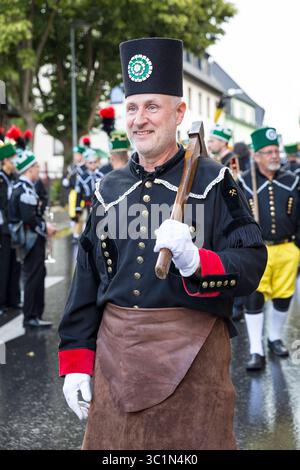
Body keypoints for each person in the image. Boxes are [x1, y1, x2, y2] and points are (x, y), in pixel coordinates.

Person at [58, 37, 267, 450]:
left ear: (179, 113)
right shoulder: (107, 189)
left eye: (152, 106)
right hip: (115, 361)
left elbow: (251, 263)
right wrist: (77, 362)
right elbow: (85, 283)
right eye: (132, 108)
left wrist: (196, 261)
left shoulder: (214, 182)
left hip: (195, 363)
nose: (139, 119)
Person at [238, 127, 300, 371]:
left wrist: (297, 245)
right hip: (257, 250)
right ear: (256, 156)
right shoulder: (243, 181)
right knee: (254, 298)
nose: (274, 156)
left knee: (284, 297)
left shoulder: (292, 180)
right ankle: (256, 350)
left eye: (276, 151)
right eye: (268, 152)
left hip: (287, 248)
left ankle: (275, 337)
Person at [9, 150, 56, 327]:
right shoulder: (23, 189)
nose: (38, 169)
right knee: (32, 276)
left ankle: (35, 314)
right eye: (36, 166)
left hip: (33, 239)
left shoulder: (26, 187)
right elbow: (29, 219)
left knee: (37, 274)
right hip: (30, 240)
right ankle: (31, 317)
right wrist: (46, 228)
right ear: (29, 169)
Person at [0, 143, 21, 315]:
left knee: (15, 263)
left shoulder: (14, 177)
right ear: (4, 160)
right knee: (3, 264)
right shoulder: (1, 178)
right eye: (12, 159)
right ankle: (1, 302)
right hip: (3, 228)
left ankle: (13, 299)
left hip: (13, 226)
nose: (15, 162)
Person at [62, 145, 87, 242]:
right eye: (75, 154)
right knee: (73, 214)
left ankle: (83, 233)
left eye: (78, 154)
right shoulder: (72, 167)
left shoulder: (85, 168)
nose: (76, 156)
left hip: (82, 194)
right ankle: (75, 234)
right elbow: (69, 180)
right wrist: (66, 183)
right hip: (73, 193)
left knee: (81, 213)